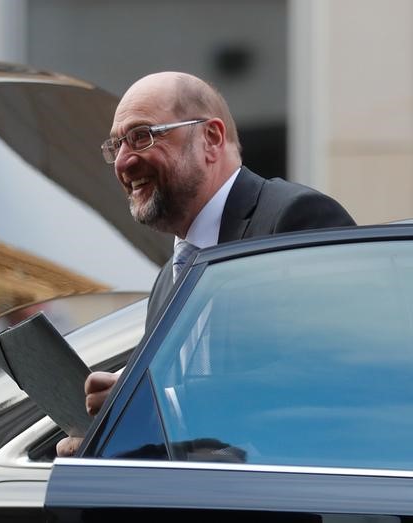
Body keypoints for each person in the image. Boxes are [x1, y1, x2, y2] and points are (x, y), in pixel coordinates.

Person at [56, 71, 355, 457]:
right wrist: (113, 433)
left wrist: (161, 402)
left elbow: (325, 376)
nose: (124, 162)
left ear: (210, 138)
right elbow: (186, 439)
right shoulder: (170, 277)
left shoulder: (294, 219)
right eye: (116, 146)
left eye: (142, 136)